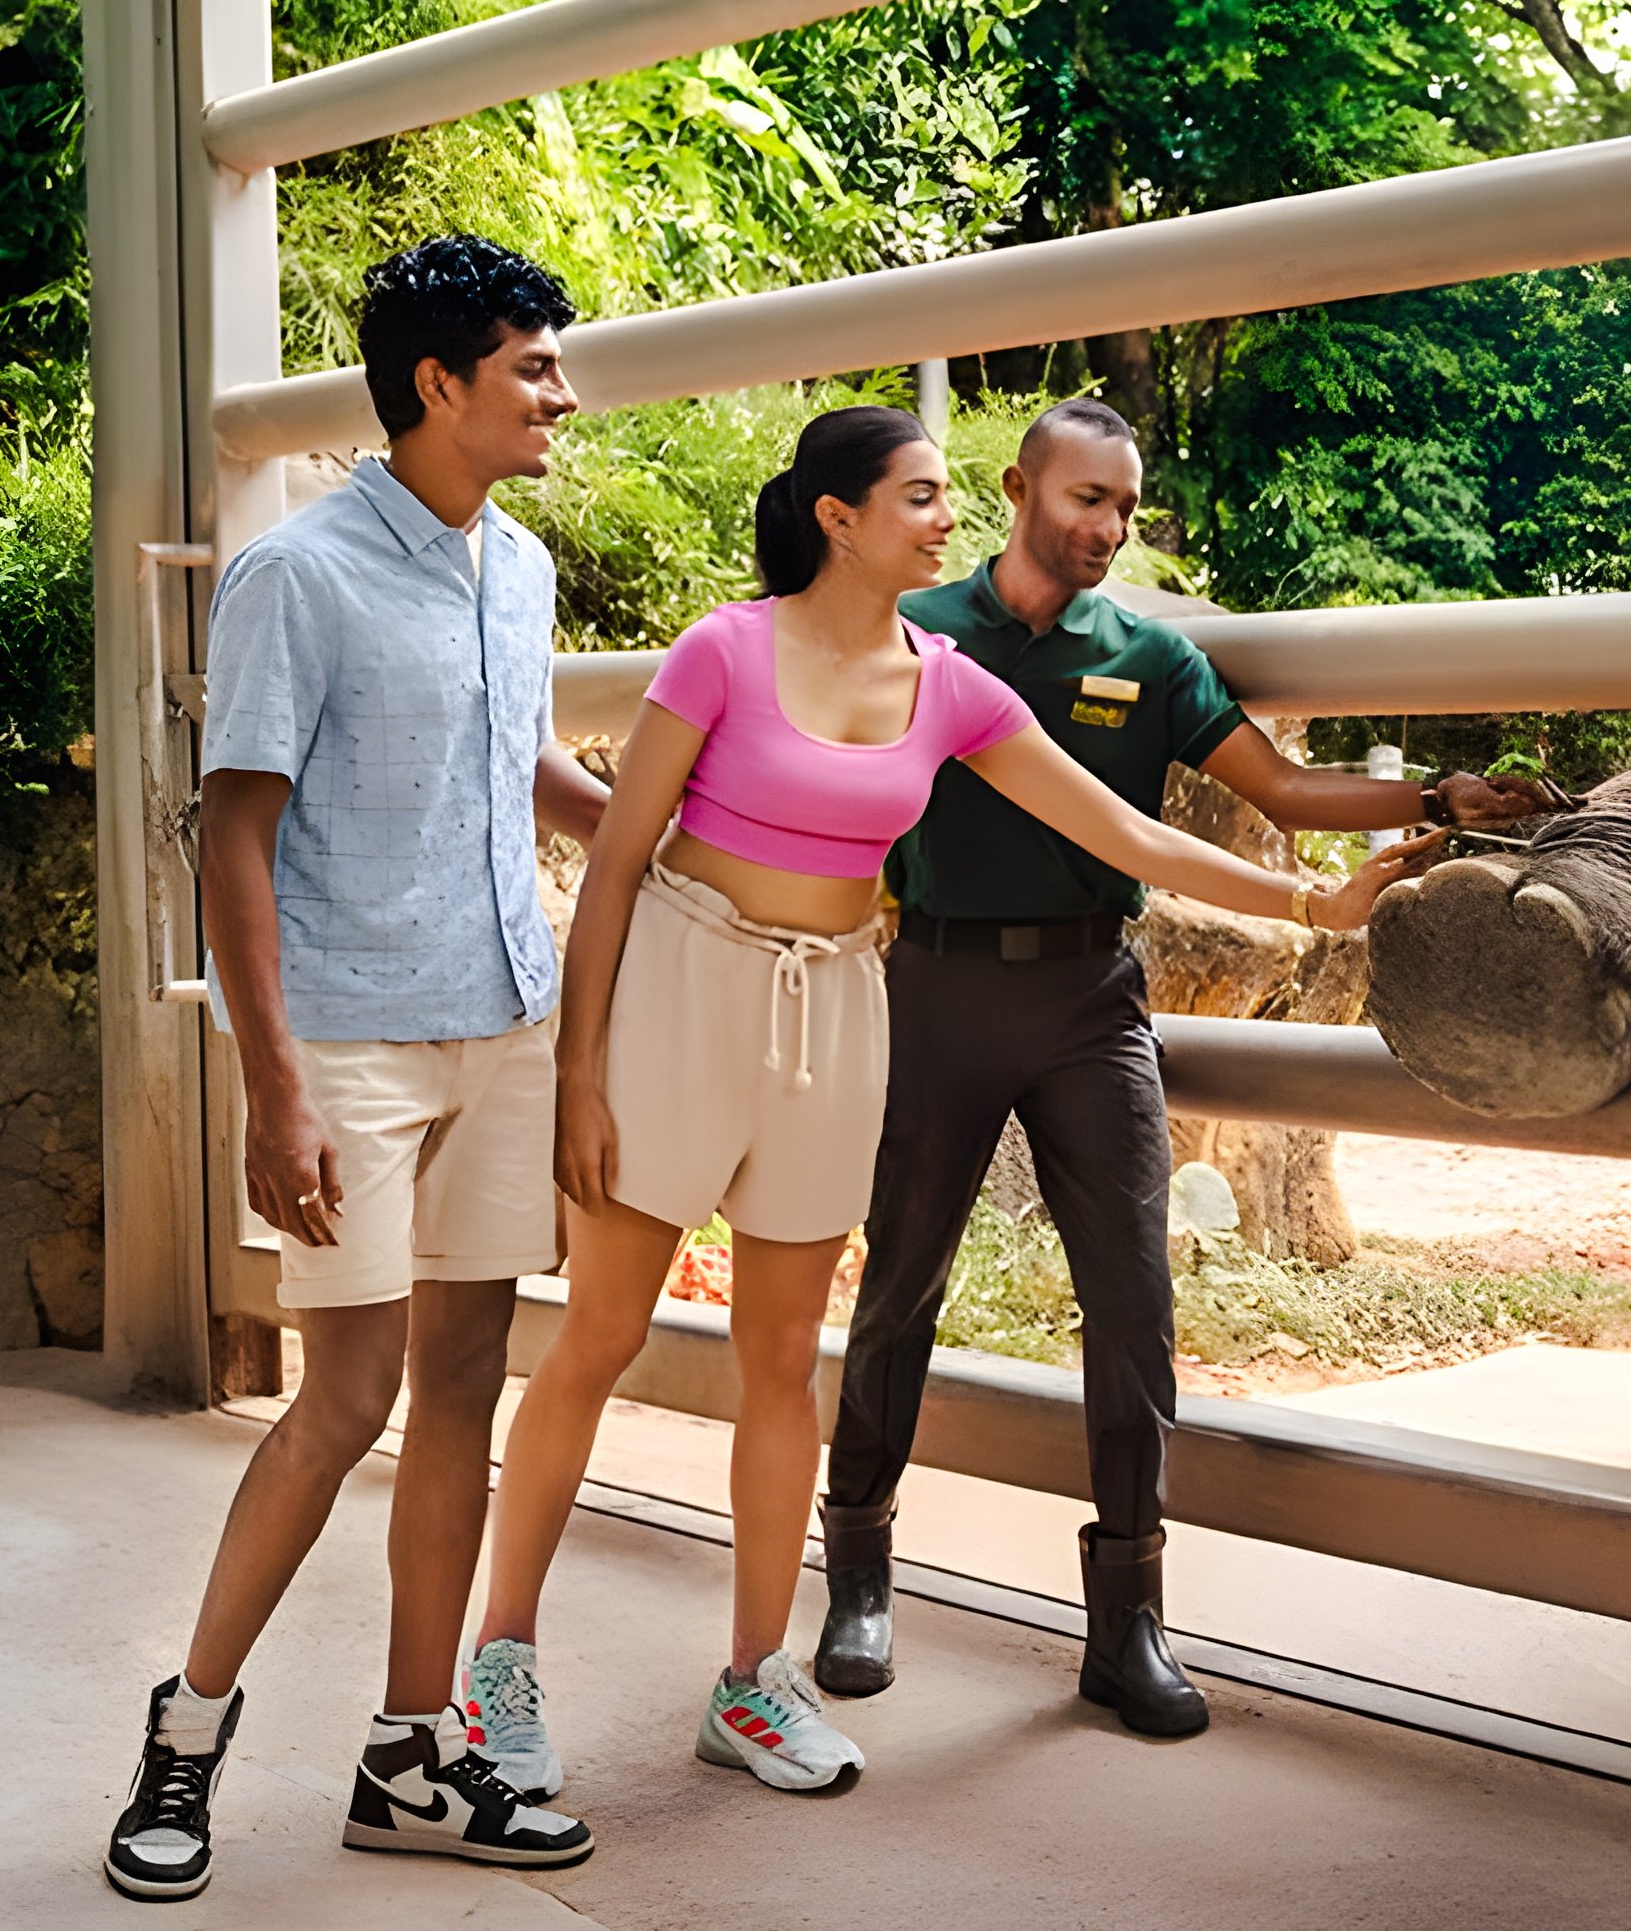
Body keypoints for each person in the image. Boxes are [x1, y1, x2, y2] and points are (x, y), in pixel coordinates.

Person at [461, 406, 1443, 1796]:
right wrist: (579, 1068)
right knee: (603, 1333)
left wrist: (1313, 899)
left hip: (841, 1004)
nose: (940, 518)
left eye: (941, 496)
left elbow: (1127, 832)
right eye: (917, 495)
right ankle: (499, 1659)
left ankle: (752, 1681)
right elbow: (617, 863)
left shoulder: (955, 684)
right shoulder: (723, 650)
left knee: (787, 1351)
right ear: (838, 516)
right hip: (689, 989)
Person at [813, 397, 1550, 1738]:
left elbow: (1280, 787)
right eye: (1083, 498)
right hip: (934, 983)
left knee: (1136, 1300)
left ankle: (1129, 1622)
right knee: (900, 1279)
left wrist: (1430, 799)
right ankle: (857, 1576)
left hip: (1092, 997)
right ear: (1020, 485)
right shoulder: (920, 631)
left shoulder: (1147, 658)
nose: (1103, 528)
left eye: (1124, 510)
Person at [103, 238, 611, 1902]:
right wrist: (277, 1085)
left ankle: (412, 1752)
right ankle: (184, 1738)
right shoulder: (297, 576)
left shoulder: (518, 566)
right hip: (352, 1042)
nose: (559, 391)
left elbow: (517, 758)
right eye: (532, 366)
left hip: (506, 1024)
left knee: (466, 1384)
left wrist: (682, 834)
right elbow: (231, 835)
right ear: (439, 382)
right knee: (344, 1399)